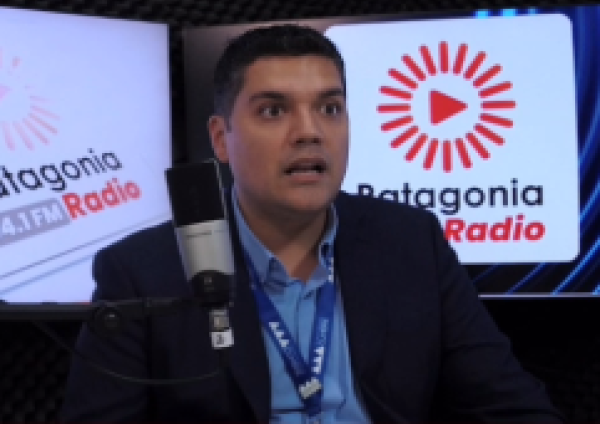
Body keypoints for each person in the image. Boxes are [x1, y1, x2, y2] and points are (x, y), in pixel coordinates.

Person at [61, 24, 563, 423]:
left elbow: (511, 406)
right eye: (273, 111)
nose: (310, 132)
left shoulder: (411, 241)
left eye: (329, 108)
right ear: (220, 138)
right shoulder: (141, 271)